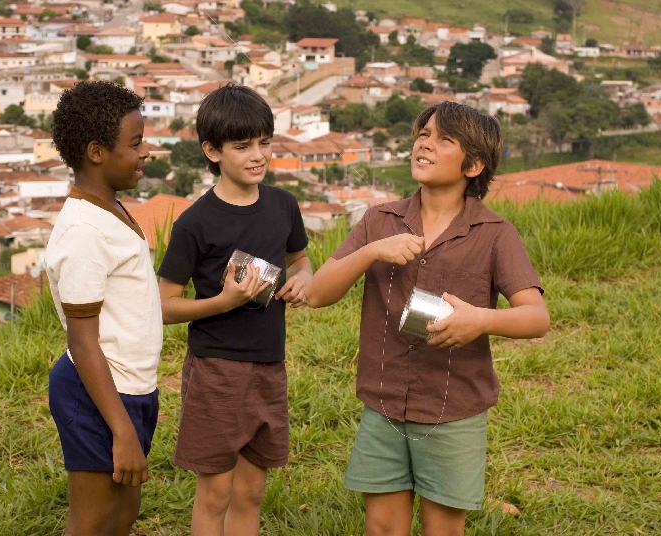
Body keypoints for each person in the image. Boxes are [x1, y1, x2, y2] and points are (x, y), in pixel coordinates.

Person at [305, 101, 550, 536]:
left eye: (444, 139)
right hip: (382, 404)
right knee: (380, 526)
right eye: (423, 134)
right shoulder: (379, 220)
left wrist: (479, 319)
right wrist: (370, 252)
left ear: (473, 165)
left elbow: (536, 317)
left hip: (453, 409)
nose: (425, 144)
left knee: (443, 529)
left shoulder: (495, 233)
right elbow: (318, 293)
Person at [157, 84, 312, 536]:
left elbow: (299, 259)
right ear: (212, 150)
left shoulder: (283, 205)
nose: (257, 155)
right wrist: (224, 302)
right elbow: (164, 305)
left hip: (269, 365)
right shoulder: (195, 223)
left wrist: (303, 279)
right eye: (243, 146)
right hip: (216, 370)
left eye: (264, 142)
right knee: (216, 492)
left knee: (250, 492)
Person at [45, 80, 161, 536]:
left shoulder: (110, 208)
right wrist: (122, 429)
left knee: (123, 512)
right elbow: (83, 339)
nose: (145, 152)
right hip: (96, 393)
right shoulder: (84, 233)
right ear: (96, 152)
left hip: (127, 387)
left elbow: (135, 306)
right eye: (135, 144)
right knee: (93, 521)